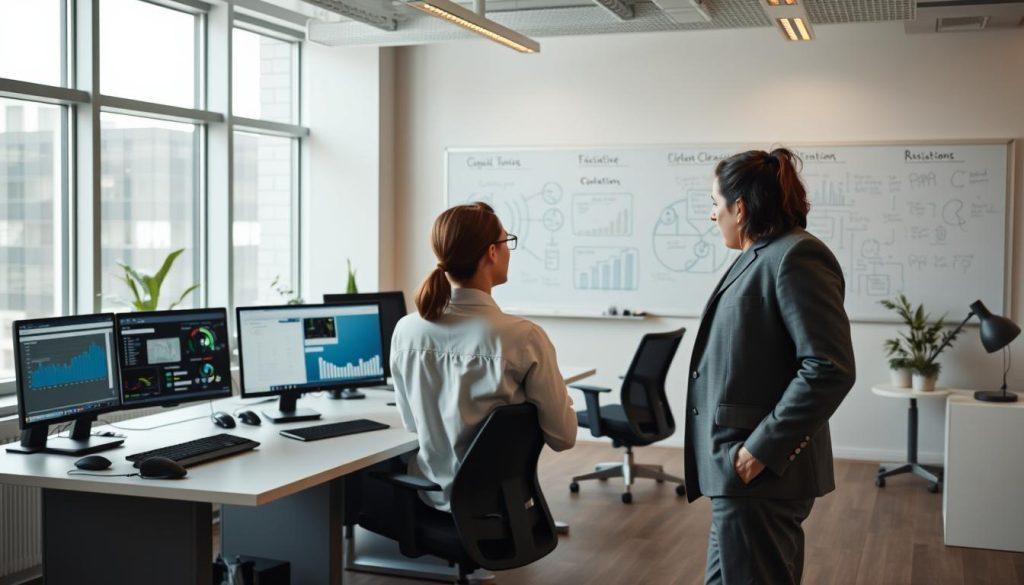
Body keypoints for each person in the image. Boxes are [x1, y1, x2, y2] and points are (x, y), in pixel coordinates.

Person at [683, 148, 856, 585]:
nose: (712, 216)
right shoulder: (760, 255)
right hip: (735, 475)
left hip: (758, 476)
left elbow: (828, 367)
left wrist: (758, 451)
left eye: (714, 203)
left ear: (738, 207)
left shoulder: (796, 256)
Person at [389, 201, 577, 511]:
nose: (508, 251)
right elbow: (564, 437)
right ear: (492, 252)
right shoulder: (523, 337)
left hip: (430, 498)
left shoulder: (406, 331)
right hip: (501, 505)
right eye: (507, 242)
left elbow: (412, 423)